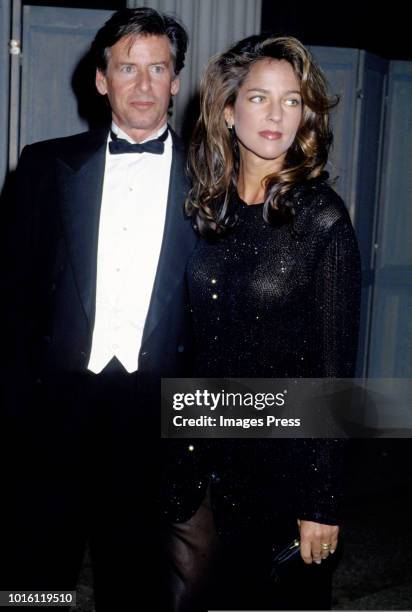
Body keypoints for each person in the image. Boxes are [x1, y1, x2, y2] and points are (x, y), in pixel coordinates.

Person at [1, 7, 201, 611]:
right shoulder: (42, 166)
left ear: (175, 80)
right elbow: (8, 300)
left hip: (156, 419)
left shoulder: (214, 178)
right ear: (101, 79)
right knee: (35, 579)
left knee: (136, 585)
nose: (143, 85)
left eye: (157, 68)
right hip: (52, 411)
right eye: (127, 68)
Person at [185, 35, 361, 609]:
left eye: (291, 101)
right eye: (259, 98)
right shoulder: (207, 209)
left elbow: (336, 377)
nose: (276, 115)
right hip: (206, 466)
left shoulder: (322, 219)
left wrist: (323, 504)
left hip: (284, 474)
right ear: (229, 112)